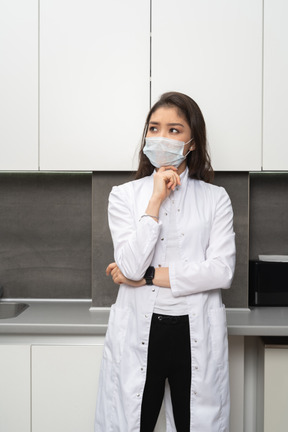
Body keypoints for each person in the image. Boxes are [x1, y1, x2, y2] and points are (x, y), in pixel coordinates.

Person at [94, 92, 236, 432]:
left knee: (194, 425)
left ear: (192, 142)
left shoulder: (216, 199)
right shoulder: (125, 195)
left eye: (174, 130)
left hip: (194, 328)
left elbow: (221, 270)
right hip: (140, 329)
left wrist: (148, 276)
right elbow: (129, 266)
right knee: (133, 423)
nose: (162, 137)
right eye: (154, 128)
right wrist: (155, 199)